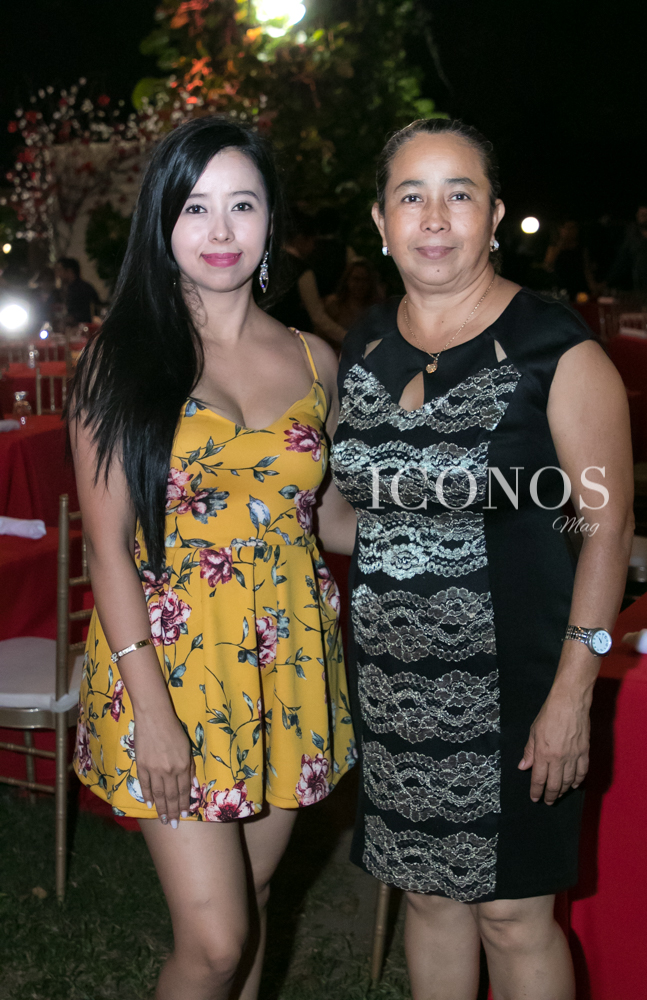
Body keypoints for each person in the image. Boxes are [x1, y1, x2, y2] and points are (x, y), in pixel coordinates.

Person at [330, 118, 633, 1000]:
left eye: (458, 194)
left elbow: (607, 529)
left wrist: (573, 692)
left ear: (493, 216)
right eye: (411, 196)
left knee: (513, 916)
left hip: (520, 681)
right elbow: (355, 515)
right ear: (380, 221)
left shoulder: (554, 346)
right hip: (393, 683)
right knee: (427, 899)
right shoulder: (362, 344)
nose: (434, 217)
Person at [67, 116, 356, 1000]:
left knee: (255, 902)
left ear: (272, 221)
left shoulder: (315, 360)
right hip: (167, 666)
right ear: (162, 222)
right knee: (218, 942)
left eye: (243, 205)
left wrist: (457, 522)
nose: (221, 230)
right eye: (195, 207)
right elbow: (107, 550)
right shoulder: (120, 359)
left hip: (285, 662)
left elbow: (328, 519)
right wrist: (153, 716)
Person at [267, 211, 347, 346]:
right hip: (291, 340)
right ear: (301, 239)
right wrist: (347, 337)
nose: (314, 247)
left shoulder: (267, 261)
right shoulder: (301, 270)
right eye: (313, 241)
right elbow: (318, 316)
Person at [606, 204, 647, 297]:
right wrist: (607, 282)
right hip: (639, 289)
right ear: (637, 216)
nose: (646, 218)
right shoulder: (632, 236)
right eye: (643, 215)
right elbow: (621, 262)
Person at [324, 258, 384, 334]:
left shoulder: (376, 309)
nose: (360, 285)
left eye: (365, 280)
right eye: (356, 279)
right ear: (347, 280)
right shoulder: (334, 305)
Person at [542, 220, 594, 300]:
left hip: (578, 285)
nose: (571, 231)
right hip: (560, 286)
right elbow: (548, 264)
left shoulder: (580, 248)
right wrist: (561, 243)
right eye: (568, 228)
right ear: (560, 229)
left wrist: (592, 286)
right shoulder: (554, 247)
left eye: (573, 228)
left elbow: (586, 268)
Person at [54, 257, 100, 324]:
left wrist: (67, 319)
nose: (57, 274)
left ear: (69, 271)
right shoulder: (66, 289)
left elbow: (86, 313)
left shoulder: (83, 289)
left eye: (60, 270)